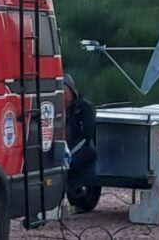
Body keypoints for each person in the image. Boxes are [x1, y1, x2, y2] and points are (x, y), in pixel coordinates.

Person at [63, 73, 101, 213]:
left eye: (65, 93)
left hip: (85, 148)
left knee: (67, 165)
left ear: (72, 91)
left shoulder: (85, 108)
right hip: (69, 148)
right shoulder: (62, 111)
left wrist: (68, 154)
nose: (63, 97)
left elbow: (86, 136)